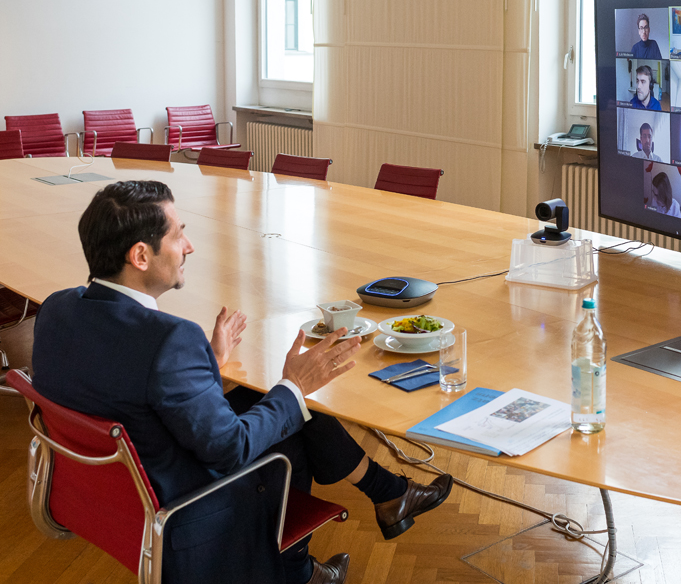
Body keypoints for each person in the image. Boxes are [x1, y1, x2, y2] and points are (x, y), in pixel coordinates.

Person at [30, 181, 454, 584]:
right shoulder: (169, 340)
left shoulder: (57, 309)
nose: (189, 246)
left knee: (271, 397)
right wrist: (294, 385)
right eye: (179, 235)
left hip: (104, 497)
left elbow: (121, 380)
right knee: (291, 418)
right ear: (140, 256)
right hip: (184, 512)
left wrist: (207, 365)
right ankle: (299, 568)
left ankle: (383, 498)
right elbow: (230, 449)